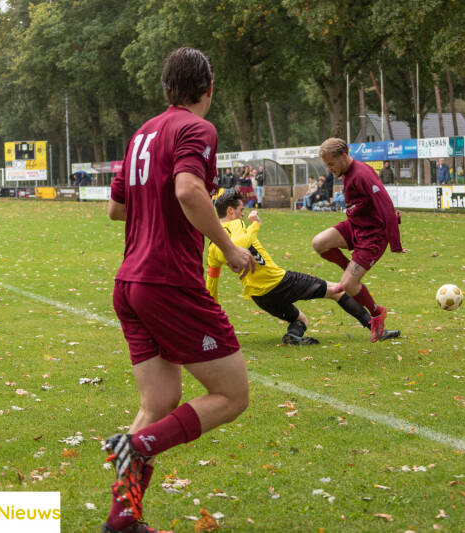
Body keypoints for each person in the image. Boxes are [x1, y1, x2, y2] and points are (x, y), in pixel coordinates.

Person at [103, 47, 255, 533]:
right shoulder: (197, 128)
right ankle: (141, 446)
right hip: (167, 281)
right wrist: (229, 249)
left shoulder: (142, 132)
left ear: (165, 88)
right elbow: (188, 190)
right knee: (232, 395)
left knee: (158, 402)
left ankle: (121, 520)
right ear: (208, 89)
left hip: (129, 282)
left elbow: (117, 209)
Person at [206, 191, 399, 345]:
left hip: (260, 297)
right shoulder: (237, 224)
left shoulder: (213, 245)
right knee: (338, 290)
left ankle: (293, 336)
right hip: (280, 282)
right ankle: (375, 327)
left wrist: (212, 318)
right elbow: (242, 240)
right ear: (230, 211)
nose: (243, 213)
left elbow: (211, 283)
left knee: (301, 319)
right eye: (241, 209)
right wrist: (254, 225)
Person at [312, 138, 404, 343]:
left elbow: (387, 206)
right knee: (319, 243)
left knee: (349, 286)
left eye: (331, 164)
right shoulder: (345, 171)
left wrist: (395, 244)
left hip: (373, 236)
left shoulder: (362, 174)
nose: (329, 169)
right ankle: (350, 273)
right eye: (326, 165)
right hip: (355, 226)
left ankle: (377, 313)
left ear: (344, 156)